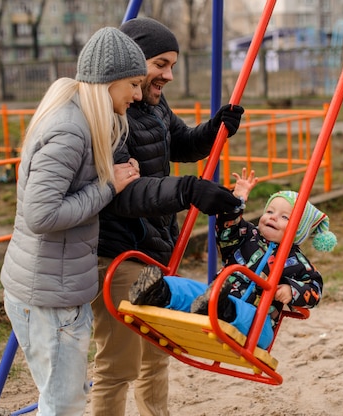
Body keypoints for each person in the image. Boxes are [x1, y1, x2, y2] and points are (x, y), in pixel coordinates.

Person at [90, 17, 245, 416]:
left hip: (153, 247)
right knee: (119, 363)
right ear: (132, 60)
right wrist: (187, 189)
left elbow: (179, 142)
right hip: (117, 252)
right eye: (160, 64)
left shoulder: (153, 106)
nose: (169, 75)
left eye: (172, 65)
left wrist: (215, 130)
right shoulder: (109, 114)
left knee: (156, 354)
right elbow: (121, 197)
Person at [0, 27, 147, 416]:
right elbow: (41, 214)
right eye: (133, 84)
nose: (137, 94)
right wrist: (108, 187)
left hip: (56, 287)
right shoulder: (69, 128)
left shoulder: (80, 120)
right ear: (108, 82)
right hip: (48, 297)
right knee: (63, 405)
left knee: (64, 398)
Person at [129, 168, 337, 350]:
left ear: (299, 230)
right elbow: (227, 227)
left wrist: (291, 291)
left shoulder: (298, 262)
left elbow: (315, 289)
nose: (273, 217)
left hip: (257, 325)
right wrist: (237, 201)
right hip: (215, 299)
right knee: (191, 288)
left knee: (250, 318)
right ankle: (159, 291)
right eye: (270, 211)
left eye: (285, 217)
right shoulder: (247, 236)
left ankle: (220, 308)